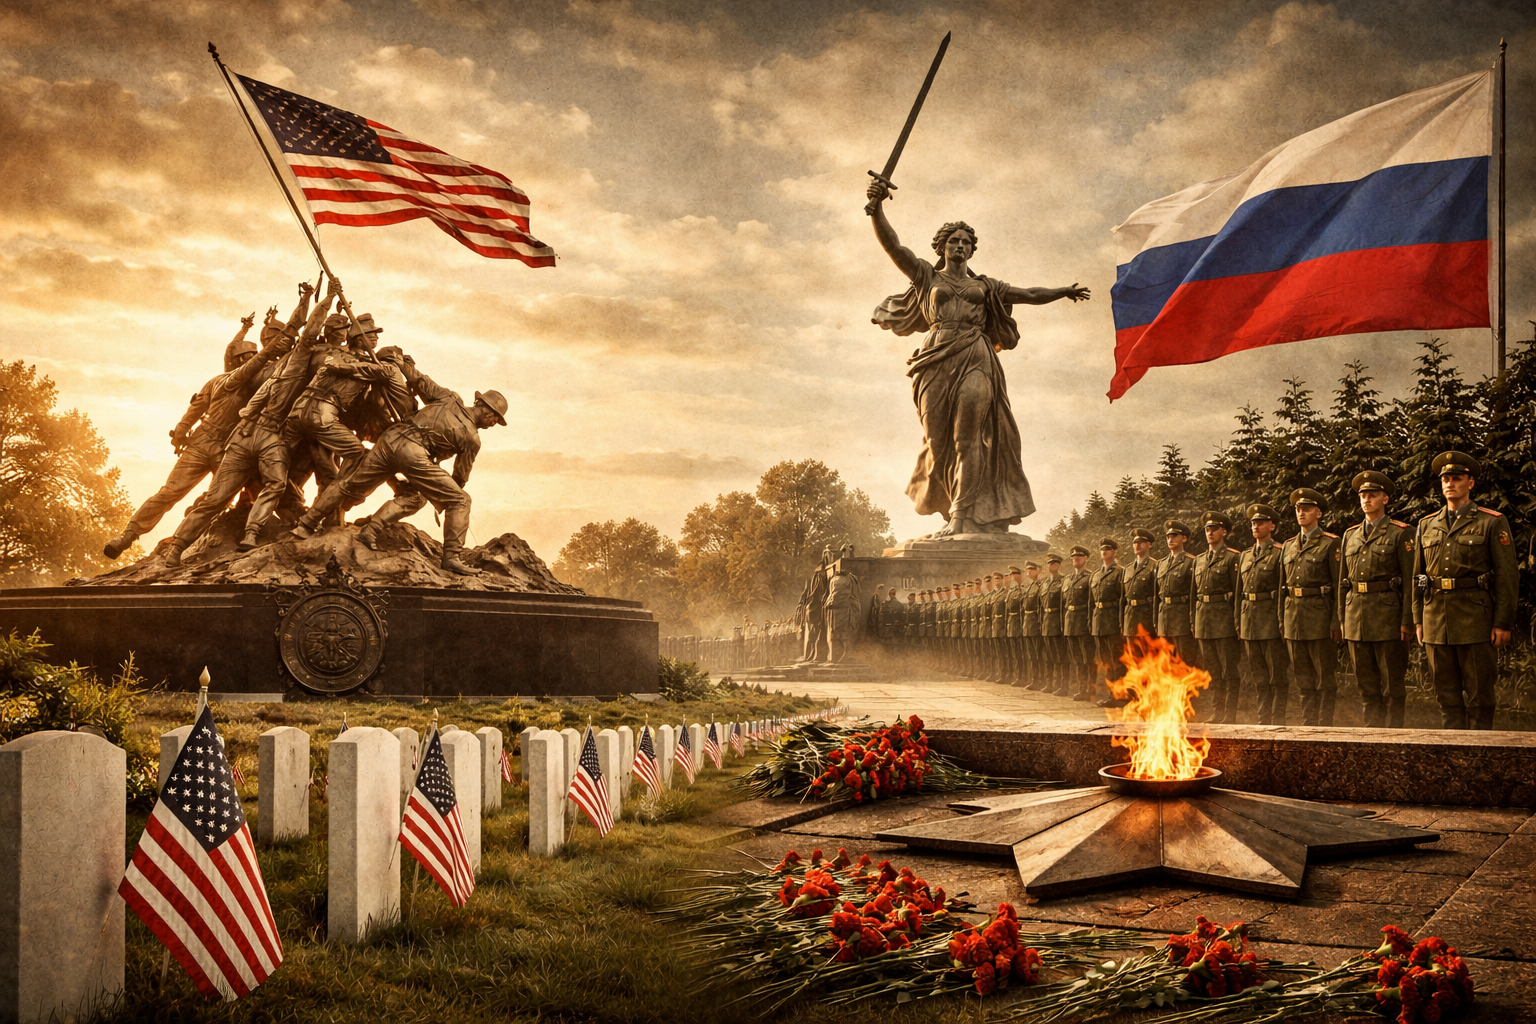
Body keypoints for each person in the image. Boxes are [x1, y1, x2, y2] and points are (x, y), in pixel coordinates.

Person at [865, 179, 1090, 536]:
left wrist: (1063, 291)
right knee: (938, 444)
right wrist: (877, 209)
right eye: (953, 240)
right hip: (936, 359)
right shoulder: (926, 276)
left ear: (972, 250)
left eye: (966, 242)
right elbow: (894, 246)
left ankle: (960, 516)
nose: (959, 245)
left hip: (975, 356)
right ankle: (952, 509)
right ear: (942, 247)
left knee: (967, 439)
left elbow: (1029, 293)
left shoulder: (986, 286)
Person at [103, 302, 299, 559]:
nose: (254, 362)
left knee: (223, 495)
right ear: (240, 360)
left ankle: (190, 534)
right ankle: (128, 536)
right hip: (203, 444)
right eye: (248, 358)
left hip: (227, 447)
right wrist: (181, 431)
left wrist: (255, 331)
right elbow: (194, 409)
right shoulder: (228, 379)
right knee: (170, 493)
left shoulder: (258, 380)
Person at [288, 354, 508, 576]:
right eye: (494, 419)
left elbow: (419, 381)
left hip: (391, 438)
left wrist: (405, 365)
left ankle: (306, 525)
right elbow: (459, 480)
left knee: (350, 485)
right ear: (486, 409)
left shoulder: (450, 398)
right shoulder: (472, 439)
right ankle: (451, 557)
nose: (493, 424)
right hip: (414, 453)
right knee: (461, 500)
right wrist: (437, 489)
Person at [1412, 451, 1518, 730]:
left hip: (1475, 619)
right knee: (1445, 698)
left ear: (1470, 483)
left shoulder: (1491, 521)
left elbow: (1507, 576)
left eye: (1457, 478)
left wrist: (1503, 622)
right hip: (1436, 619)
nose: (1450, 484)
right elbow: (1418, 576)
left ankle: (1480, 762)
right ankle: (1452, 760)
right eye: (1445, 479)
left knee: (1480, 698)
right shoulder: (1427, 524)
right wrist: (1418, 618)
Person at [1339, 471, 1415, 728]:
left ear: (1385, 498)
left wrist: (1407, 620)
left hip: (1388, 618)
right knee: (1366, 686)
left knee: (1393, 686)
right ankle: (1371, 740)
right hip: (1356, 618)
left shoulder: (1401, 533)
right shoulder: (1350, 535)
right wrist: (1342, 619)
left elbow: (1409, 581)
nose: (1366, 500)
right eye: (1363, 495)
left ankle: (1393, 739)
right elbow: (1343, 583)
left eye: (1372, 495)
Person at [1282, 488, 1342, 726]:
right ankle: (1308, 724)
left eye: (1306, 509)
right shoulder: (1288, 546)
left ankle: (1324, 725)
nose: (1301, 513)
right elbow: (1282, 587)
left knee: (1324, 678)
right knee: (1302, 678)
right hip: (1293, 620)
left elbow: (1338, 585)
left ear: (1318, 512)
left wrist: (1337, 621)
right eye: (1298, 509)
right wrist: (1281, 619)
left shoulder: (1330, 543)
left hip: (1320, 619)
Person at [1239, 503, 1289, 725]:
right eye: (1253, 522)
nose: (1256, 526)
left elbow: (1282, 590)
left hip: (1270, 619)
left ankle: (1277, 719)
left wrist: (1281, 620)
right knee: (1258, 675)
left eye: (1260, 522)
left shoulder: (1279, 553)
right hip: (1249, 619)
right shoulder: (1245, 556)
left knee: (1277, 674)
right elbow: (1240, 592)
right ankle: (1263, 719)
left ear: (1272, 526)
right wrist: (1238, 621)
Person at [1193, 512, 1242, 724]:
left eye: (1214, 529)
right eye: (1207, 529)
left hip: (1224, 620)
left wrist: (1237, 620)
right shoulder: (1199, 560)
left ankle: (1229, 714)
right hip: (1203, 620)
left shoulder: (1233, 557)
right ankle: (1217, 712)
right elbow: (1193, 595)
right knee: (1212, 670)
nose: (1210, 532)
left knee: (1228, 669)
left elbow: (1238, 593)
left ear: (1224, 532)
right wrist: (1192, 620)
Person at [1155, 521, 1200, 670]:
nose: (1170, 539)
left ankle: (1188, 694)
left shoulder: (1191, 562)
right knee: (1167, 665)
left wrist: (1193, 621)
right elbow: (1157, 596)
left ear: (1184, 538)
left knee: (1185, 663)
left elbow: (1195, 595)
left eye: (1175, 536)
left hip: (1182, 620)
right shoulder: (1161, 564)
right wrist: (1156, 621)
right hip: (1164, 621)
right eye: (1168, 536)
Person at [1090, 538, 1126, 706]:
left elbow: (1122, 600)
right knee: (1106, 662)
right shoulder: (1096, 575)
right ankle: (1109, 694)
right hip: (1099, 623)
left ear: (1114, 552)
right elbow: (1092, 602)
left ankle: (1119, 695)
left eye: (1108, 549)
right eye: (1102, 549)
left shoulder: (1120, 572)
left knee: (1116, 661)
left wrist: (1121, 622)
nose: (1104, 552)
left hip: (1113, 622)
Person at [1062, 546, 1094, 700]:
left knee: (1087, 657)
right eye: (1074, 557)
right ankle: (1081, 688)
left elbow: (1092, 603)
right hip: (1070, 622)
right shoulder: (1067, 580)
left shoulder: (1090, 577)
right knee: (1076, 658)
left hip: (1083, 621)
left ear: (1085, 558)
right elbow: (1064, 604)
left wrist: (1090, 622)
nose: (1076, 559)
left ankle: (1090, 688)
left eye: (1079, 556)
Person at [1039, 554, 1066, 693]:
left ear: (1059, 565)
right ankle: (1049, 683)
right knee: (1048, 656)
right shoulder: (1044, 583)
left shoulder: (1063, 581)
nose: (1051, 566)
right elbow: (1040, 606)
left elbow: (1064, 605)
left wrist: (1063, 624)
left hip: (1057, 621)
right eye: (1049, 564)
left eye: (1054, 564)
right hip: (1047, 623)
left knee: (1060, 656)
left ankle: (1063, 685)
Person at [1019, 562, 1043, 688]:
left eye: (1032, 569)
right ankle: (1034, 679)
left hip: (1036, 622)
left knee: (1038, 655)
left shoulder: (1040, 585)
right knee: (1031, 655)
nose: (1029, 572)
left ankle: (1040, 680)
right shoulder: (1028, 587)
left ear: (1037, 570)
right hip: (1027, 624)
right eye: (1027, 569)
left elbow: (1041, 606)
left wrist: (1040, 623)